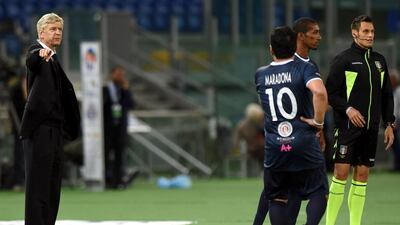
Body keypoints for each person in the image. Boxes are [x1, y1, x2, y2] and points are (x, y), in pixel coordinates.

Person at [252, 17, 327, 225]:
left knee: (276, 196)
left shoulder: (260, 75)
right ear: (296, 42)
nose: (319, 37)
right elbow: (320, 94)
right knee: (319, 191)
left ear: (270, 49)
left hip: (275, 143)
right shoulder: (304, 68)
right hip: (303, 138)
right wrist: (318, 124)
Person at [325, 15, 395, 225]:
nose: (370, 35)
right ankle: (330, 223)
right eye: (365, 31)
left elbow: (387, 96)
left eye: (372, 32)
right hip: (347, 128)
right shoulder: (344, 59)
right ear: (354, 33)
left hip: (371, 129)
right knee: (341, 173)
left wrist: (390, 124)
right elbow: (330, 93)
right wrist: (348, 109)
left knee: (362, 176)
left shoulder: (380, 61)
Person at [19, 12, 80, 225]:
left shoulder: (53, 58)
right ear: (41, 32)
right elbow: (31, 60)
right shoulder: (38, 52)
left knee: (52, 188)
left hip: (54, 131)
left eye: (60, 29)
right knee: (38, 189)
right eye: (53, 29)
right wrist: (41, 54)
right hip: (39, 131)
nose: (57, 33)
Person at [103, 65, 137, 189]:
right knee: (106, 155)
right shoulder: (106, 89)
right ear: (112, 74)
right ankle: (107, 180)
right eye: (118, 74)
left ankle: (118, 181)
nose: (121, 77)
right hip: (107, 129)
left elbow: (131, 105)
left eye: (122, 74)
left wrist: (126, 89)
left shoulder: (123, 90)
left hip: (120, 129)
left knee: (119, 156)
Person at [9, 71, 27, 191]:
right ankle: (18, 181)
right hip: (19, 126)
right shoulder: (15, 92)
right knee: (19, 153)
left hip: (31, 127)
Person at [233, 103, 265, 167]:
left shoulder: (262, 122)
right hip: (253, 150)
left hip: (259, 148)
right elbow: (236, 141)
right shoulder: (243, 126)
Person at [389, 69, 400, 171]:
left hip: (397, 124)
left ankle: (397, 166)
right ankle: (396, 165)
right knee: (395, 145)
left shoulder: (398, 92)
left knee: (398, 145)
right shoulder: (390, 92)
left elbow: (397, 110)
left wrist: (395, 122)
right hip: (393, 124)